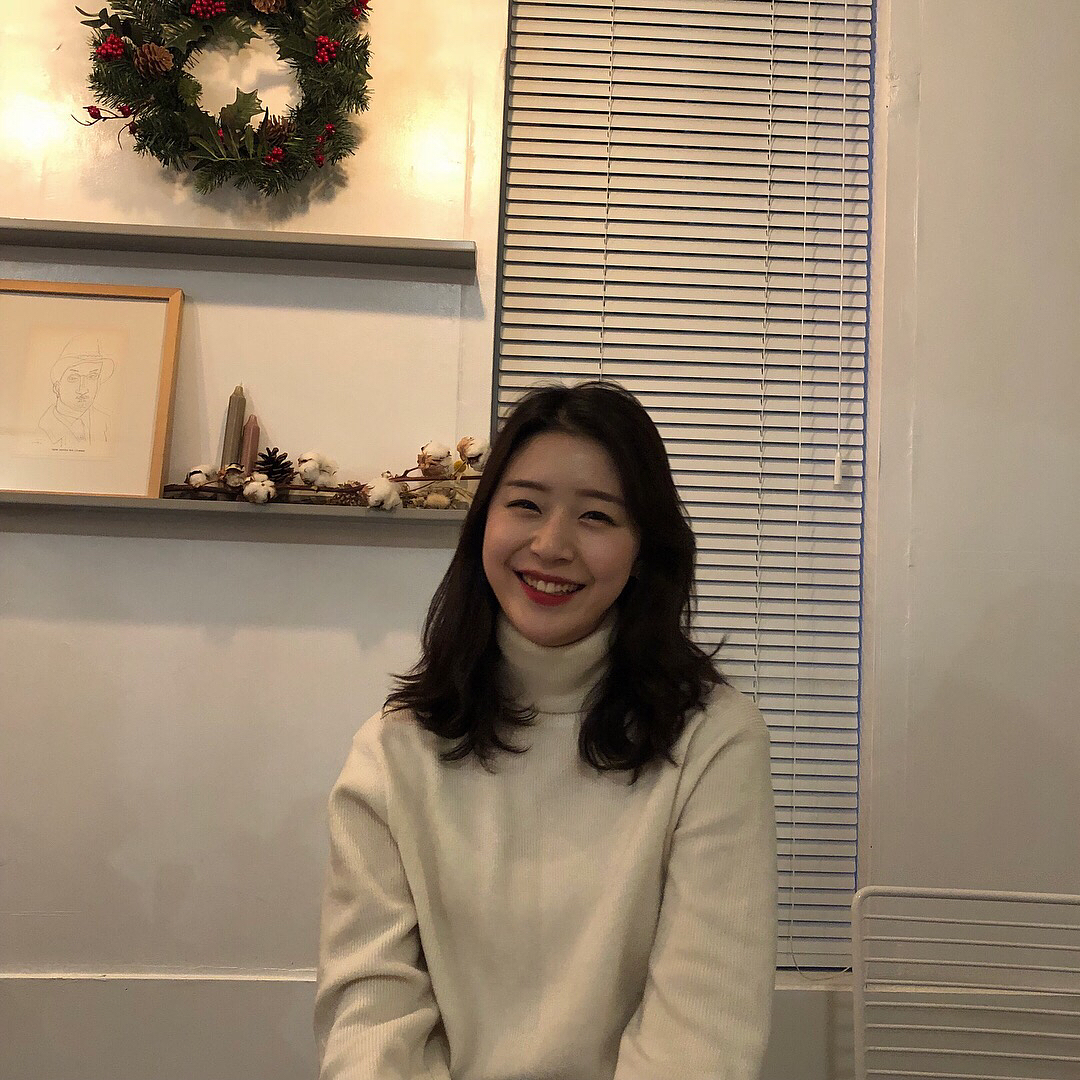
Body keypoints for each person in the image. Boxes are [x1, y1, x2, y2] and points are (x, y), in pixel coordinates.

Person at [315, 380, 777, 1080]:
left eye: (597, 516)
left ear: (643, 549)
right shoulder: (393, 750)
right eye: (525, 505)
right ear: (483, 526)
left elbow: (700, 1036)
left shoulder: (713, 742)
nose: (551, 544)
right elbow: (371, 1029)